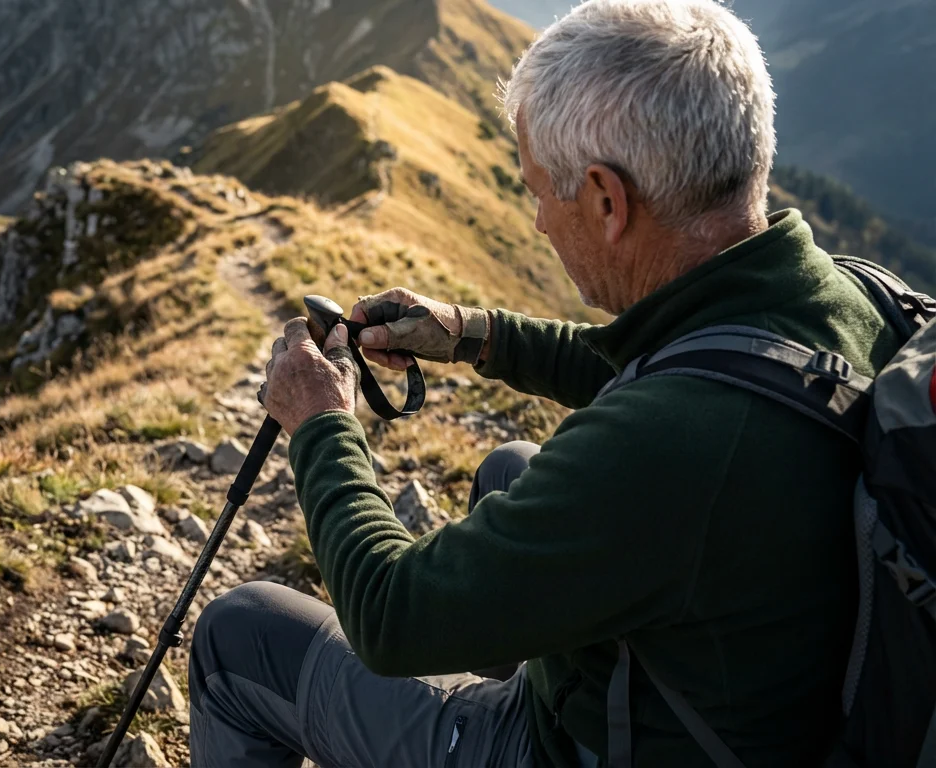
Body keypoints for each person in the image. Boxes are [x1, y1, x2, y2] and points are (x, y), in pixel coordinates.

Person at [185, 0, 909, 766]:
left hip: (590, 747)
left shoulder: (662, 446)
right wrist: (473, 333)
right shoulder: (852, 298)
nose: (535, 221)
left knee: (241, 636)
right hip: (757, 692)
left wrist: (323, 423)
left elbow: (389, 616)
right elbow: (700, 364)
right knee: (509, 472)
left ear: (605, 199)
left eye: (539, 191)